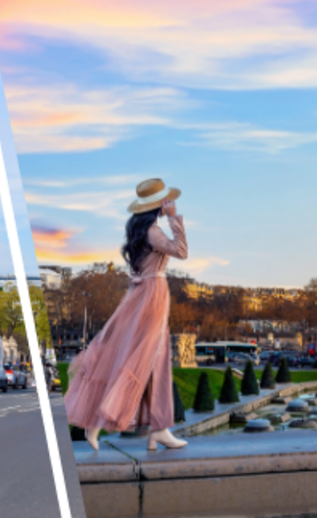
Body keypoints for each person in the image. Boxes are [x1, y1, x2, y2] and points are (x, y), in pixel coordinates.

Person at [65, 178, 188, 452]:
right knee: (149, 360)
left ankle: (139, 428)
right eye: (165, 202)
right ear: (159, 206)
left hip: (139, 296)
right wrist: (174, 219)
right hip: (152, 296)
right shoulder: (154, 232)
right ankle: (158, 430)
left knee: (128, 358)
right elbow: (182, 251)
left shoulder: (138, 232)